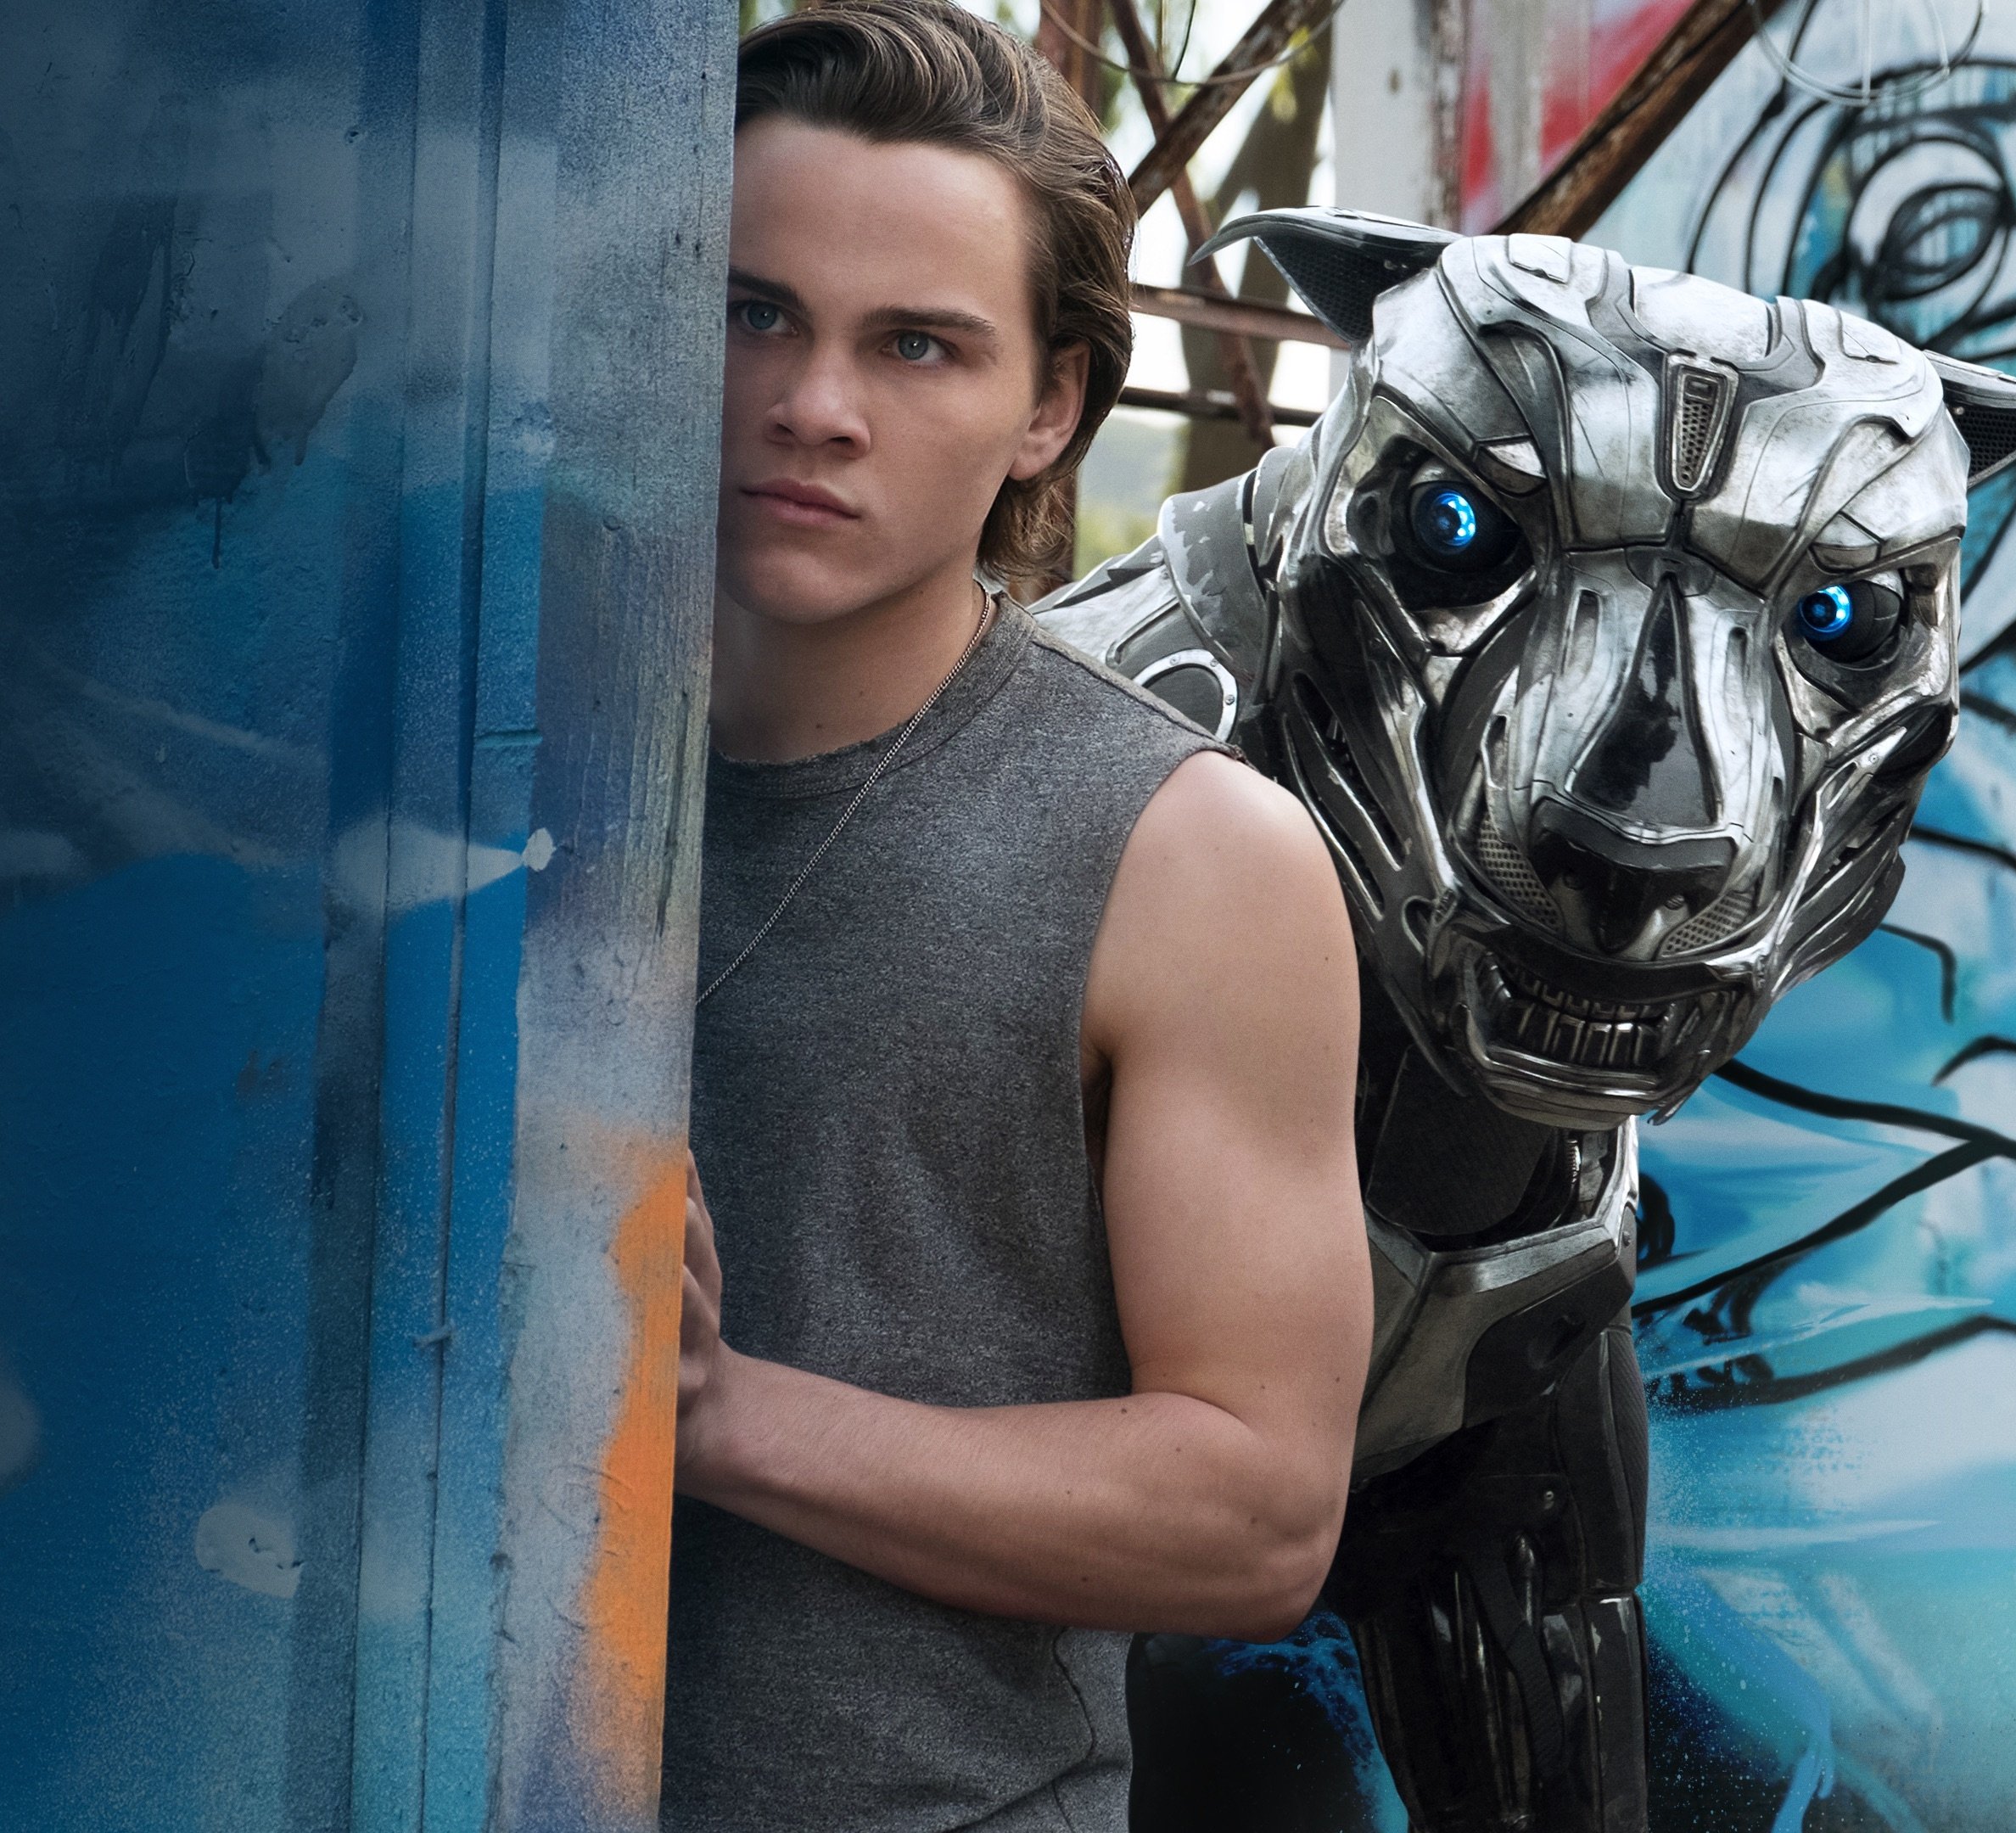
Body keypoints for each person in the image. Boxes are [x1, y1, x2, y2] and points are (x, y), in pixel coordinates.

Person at [663, 5, 1371, 1830]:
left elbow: (1255, 1513)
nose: (814, 404)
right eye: (752, 312)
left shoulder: (1192, 856)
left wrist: (722, 1418)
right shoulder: (465, 757)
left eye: (917, 344)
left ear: (1050, 408)